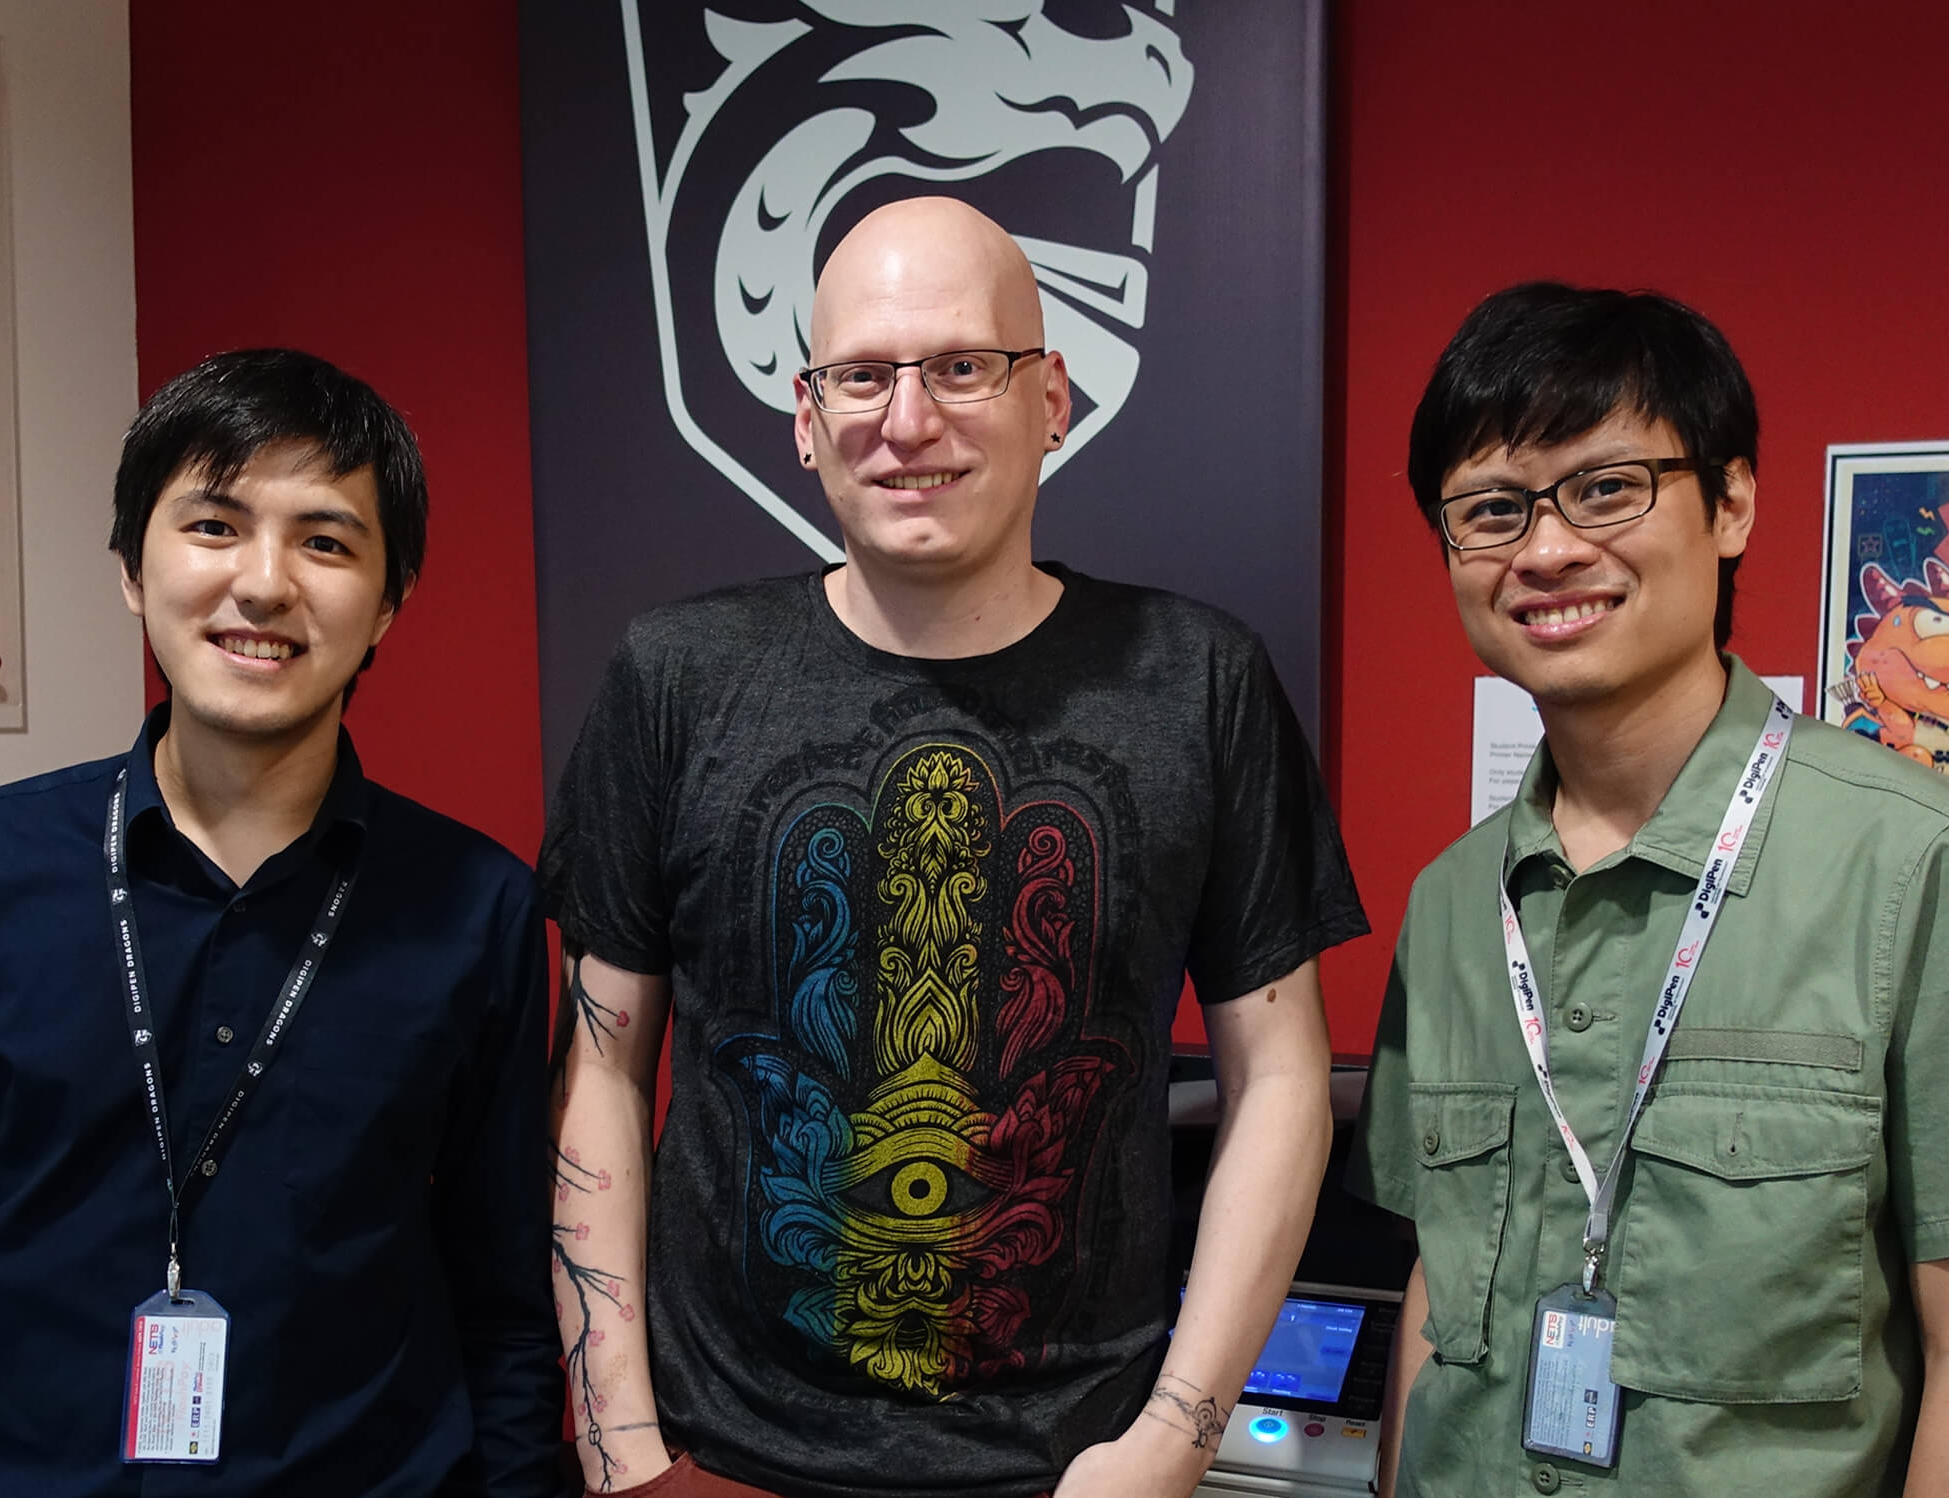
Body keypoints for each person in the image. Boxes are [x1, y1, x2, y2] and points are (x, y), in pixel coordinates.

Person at [540, 196, 1370, 1498]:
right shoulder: (675, 676)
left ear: (1053, 400)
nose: (908, 420)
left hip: (1075, 1464)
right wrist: (621, 1443)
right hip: (723, 1455)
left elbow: (1280, 1076)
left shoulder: (1198, 681)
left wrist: (1170, 1440)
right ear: (807, 417)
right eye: (863, 373)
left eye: (962, 366)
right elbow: (598, 1067)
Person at [1347, 283, 1949, 1497]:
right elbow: (1432, 1291)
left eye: (1605, 488)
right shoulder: (1456, 900)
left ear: (1728, 503)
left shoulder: (1926, 866)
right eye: (1491, 510)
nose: (1548, 549)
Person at [0, 349, 567, 1497]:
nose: (262, 585)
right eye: (212, 525)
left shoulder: (478, 905)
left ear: (388, 603)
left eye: (325, 540)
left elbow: (503, 1297)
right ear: (130, 566)